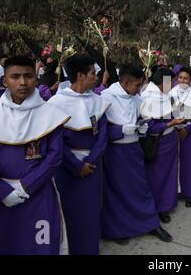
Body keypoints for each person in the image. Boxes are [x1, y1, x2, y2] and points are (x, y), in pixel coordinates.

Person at [0, 55, 69, 255]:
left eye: (28, 76)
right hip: (1, 197)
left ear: (36, 78)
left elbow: (54, 157)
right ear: (5, 81)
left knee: (42, 246)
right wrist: (3, 190)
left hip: (39, 194)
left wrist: (26, 185)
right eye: (15, 76)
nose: (22, 82)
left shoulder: (52, 114)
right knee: (6, 246)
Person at [100, 64, 173, 244]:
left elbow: (144, 119)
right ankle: (119, 229)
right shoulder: (105, 98)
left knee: (141, 188)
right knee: (117, 191)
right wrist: (121, 130)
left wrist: (142, 127)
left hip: (134, 149)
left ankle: (150, 223)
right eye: (137, 85)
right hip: (115, 152)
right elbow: (100, 132)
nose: (139, 89)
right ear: (125, 82)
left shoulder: (135, 98)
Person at [47, 54, 110, 255]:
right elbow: (55, 142)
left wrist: (90, 160)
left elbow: (103, 135)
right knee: (69, 212)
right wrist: (76, 165)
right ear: (80, 76)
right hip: (67, 169)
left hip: (92, 167)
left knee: (91, 211)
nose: (97, 78)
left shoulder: (97, 100)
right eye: (93, 73)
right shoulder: (56, 103)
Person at [141, 68, 183, 224]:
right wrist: (170, 123)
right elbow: (150, 127)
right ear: (163, 81)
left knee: (170, 174)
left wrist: (177, 120)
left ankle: (166, 205)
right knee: (156, 177)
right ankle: (156, 207)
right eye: (171, 82)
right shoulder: (148, 97)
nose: (173, 85)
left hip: (171, 139)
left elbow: (174, 112)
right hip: (158, 143)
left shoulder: (166, 96)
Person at [169, 67, 191, 207]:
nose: (182, 81)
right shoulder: (171, 92)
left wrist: (188, 129)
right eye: (180, 78)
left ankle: (189, 194)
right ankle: (176, 192)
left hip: (189, 133)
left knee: (189, 165)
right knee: (175, 164)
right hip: (174, 132)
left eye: (185, 78)